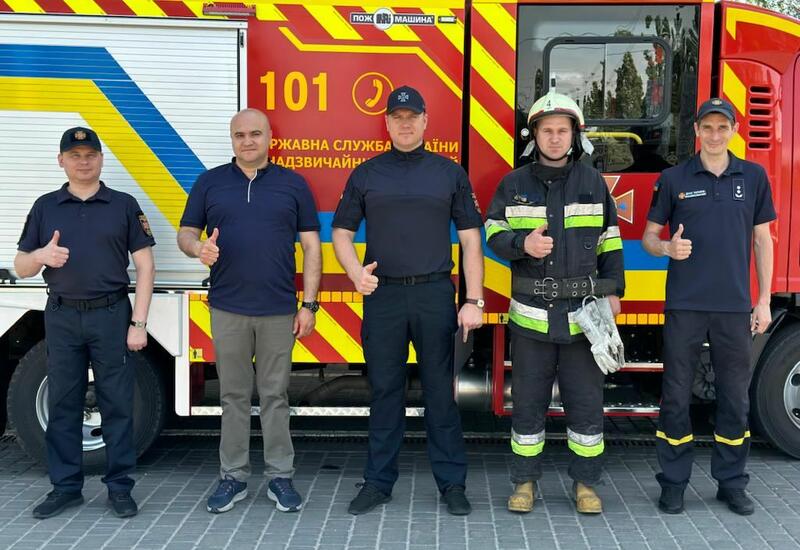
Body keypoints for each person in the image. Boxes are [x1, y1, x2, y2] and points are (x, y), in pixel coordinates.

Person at [332, 85, 484, 516]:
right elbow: (341, 233)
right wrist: (355, 273)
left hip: (435, 293)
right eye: (397, 118)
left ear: (425, 121)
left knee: (440, 393)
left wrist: (473, 299)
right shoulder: (366, 174)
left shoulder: (449, 173)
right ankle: (378, 483)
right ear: (387, 123)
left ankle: (452, 484)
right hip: (384, 296)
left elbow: (471, 241)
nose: (404, 124)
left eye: (412, 117)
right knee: (385, 391)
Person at [485, 90, 625, 514]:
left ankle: (586, 485)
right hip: (532, 321)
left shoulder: (593, 183)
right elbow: (492, 232)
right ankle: (524, 482)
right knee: (528, 407)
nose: (554, 138)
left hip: (584, 320)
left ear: (574, 136)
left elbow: (610, 242)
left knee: (586, 406)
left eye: (562, 130)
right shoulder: (513, 184)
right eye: (546, 130)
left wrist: (613, 291)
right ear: (534, 135)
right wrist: (521, 244)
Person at [178, 109, 321, 514]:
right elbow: (186, 233)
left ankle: (280, 477)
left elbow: (312, 246)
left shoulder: (293, 184)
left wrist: (309, 305)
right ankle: (233, 477)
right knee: (233, 396)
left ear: (270, 137)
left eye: (255, 133)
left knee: (275, 396)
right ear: (232, 139)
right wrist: (197, 248)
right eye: (239, 135)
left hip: (278, 309)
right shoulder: (210, 183)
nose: (247, 141)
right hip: (228, 308)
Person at [643, 97, 775, 516]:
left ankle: (732, 483)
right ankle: (673, 483)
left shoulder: (753, 176)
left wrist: (763, 301)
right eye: (707, 127)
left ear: (734, 130)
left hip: (734, 308)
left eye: (722, 127)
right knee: (675, 396)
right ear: (696, 131)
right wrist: (667, 248)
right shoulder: (673, 178)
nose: (715, 135)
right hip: (684, 306)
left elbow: (762, 240)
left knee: (734, 398)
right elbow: (649, 237)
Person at [16, 127, 155, 519]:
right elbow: (22, 266)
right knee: (63, 403)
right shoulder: (45, 207)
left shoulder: (123, 205)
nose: (83, 162)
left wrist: (139, 323)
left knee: (117, 404)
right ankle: (65, 488)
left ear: (101, 159)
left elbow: (146, 266)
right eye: (75, 155)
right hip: (62, 315)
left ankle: (120, 488)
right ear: (61, 160)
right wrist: (40, 256)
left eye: (90, 154)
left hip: (111, 314)